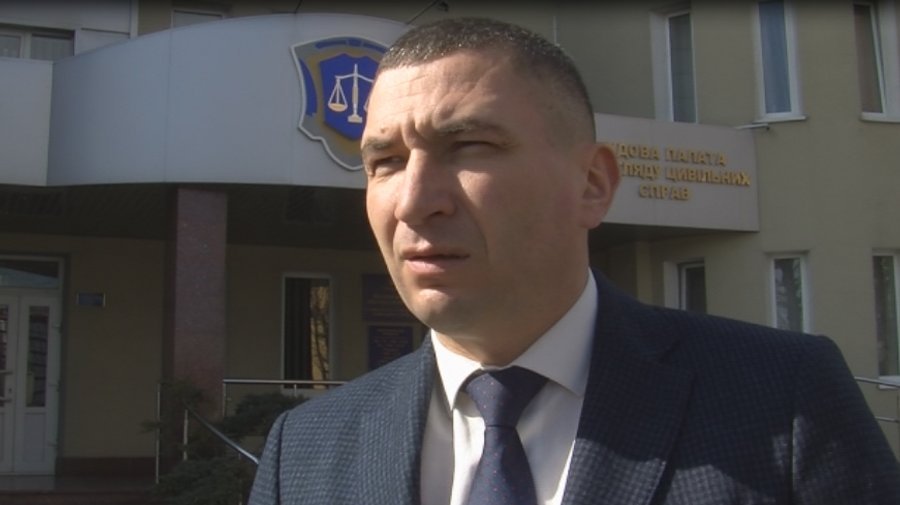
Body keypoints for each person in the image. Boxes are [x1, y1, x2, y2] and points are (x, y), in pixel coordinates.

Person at [249, 17, 900, 505]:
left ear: (592, 183)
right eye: (385, 162)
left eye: (470, 146)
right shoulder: (302, 451)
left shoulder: (782, 402)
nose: (414, 201)